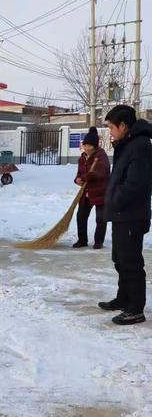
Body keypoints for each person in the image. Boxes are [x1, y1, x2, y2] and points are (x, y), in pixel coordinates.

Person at [99, 105, 152, 325]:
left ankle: (135, 309)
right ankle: (123, 299)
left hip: (131, 214)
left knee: (130, 262)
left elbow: (135, 184)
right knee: (120, 259)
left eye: (112, 127)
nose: (110, 132)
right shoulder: (128, 144)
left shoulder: (139, 146)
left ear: (123, 126)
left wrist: (115, 200)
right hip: (122, 214)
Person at [73, 126, 110, 249]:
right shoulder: (82, 158)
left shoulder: (101, 156)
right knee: (81, 216)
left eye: (89, 146)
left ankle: (98, 241)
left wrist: (86, 177)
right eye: (85, 146)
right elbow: (79, 174)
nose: (87, 148)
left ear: (95, 146)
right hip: (86, 192)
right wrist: (77, 179)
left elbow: (102, 172)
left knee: (100, 218)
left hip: (100, 191)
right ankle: (82, 240)